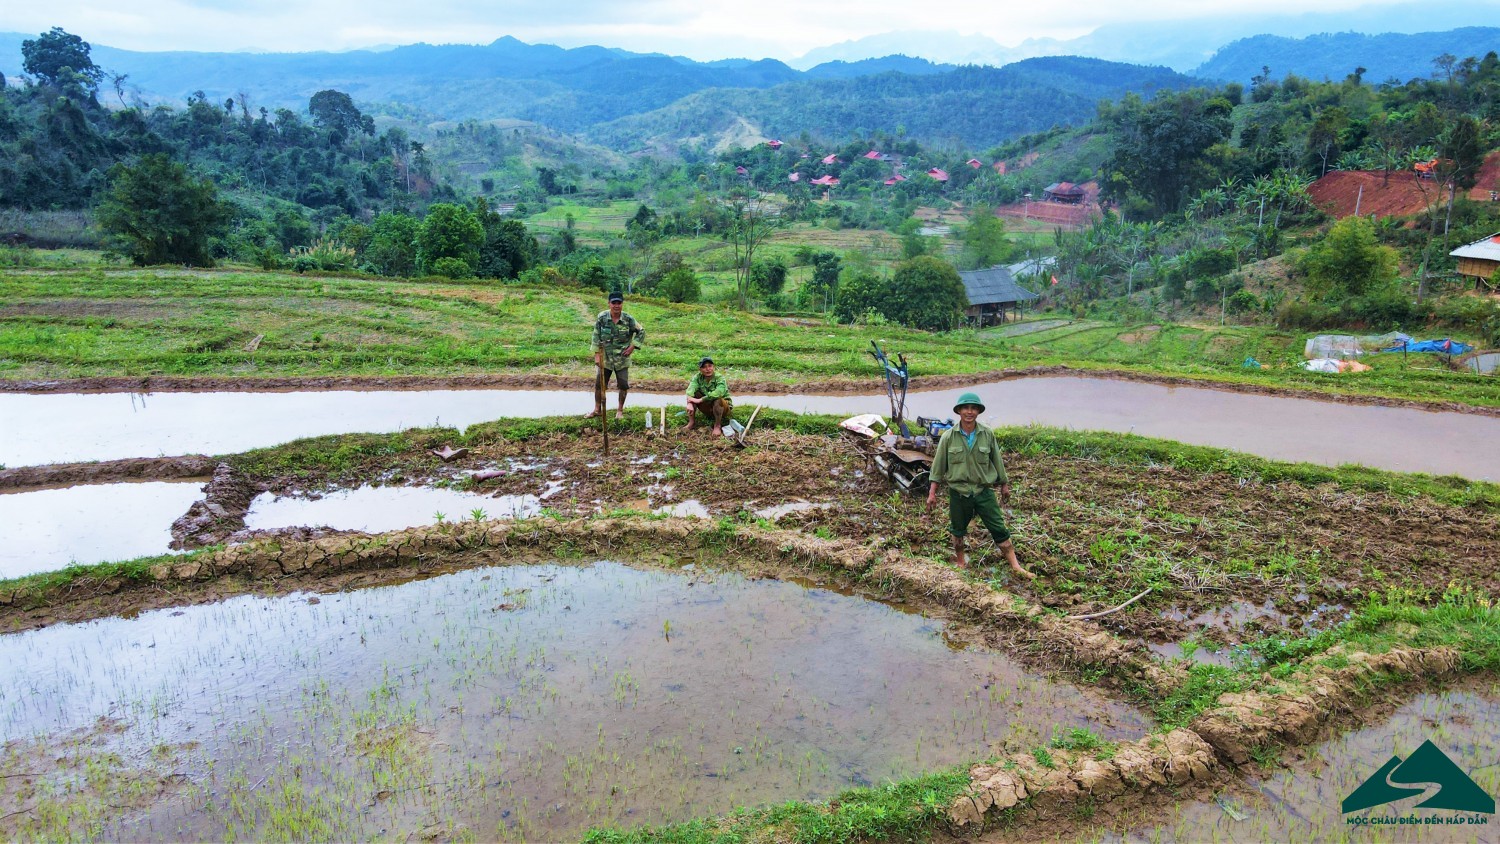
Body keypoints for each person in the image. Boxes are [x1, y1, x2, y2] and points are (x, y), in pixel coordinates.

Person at [925, 392, 1034, 579]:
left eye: (973, 408)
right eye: (966, 408)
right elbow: (938, 467)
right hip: (959, 493)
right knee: (957, 531)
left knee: (999, 528)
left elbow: (997, 461)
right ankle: (960, 562)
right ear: (959, 411)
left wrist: (1004, 485)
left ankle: (1016, 566)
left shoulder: (987, 434)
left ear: (978, 411)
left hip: (983, 491)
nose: (969, 412)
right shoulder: (948, 437)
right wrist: (932, 493)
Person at [587, 291, 645, 421]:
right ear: (609, 304)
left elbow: (641, 331)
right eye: (614, 303)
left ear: (622, 304)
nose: (616, 306)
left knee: (623, 385)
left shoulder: (628, 319)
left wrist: (632, 346)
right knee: (599, 384)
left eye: (619, 303)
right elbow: (596, 335)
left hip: (621, 359)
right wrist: (597, 354)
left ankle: (620, 410)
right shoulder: (602, 317)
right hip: (605, 357)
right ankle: (597, 409)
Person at [684, 356, 732, 436]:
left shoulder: (719, 378)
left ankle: (717, 425)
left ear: (713, 367)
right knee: (694, 394)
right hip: (708, 407)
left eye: (710, 366)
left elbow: (719, 392)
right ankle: (691, 422)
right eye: (704, 367)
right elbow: (690, 389)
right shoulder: (697, 377)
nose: (707, 369)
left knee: (717, 398)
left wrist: (701, 400)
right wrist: (689, 402)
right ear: (700, 369)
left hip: (723, 409)